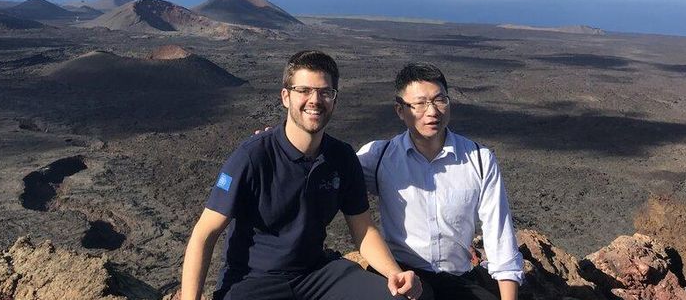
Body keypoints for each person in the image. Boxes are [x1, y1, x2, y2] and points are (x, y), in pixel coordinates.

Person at [181, 50, 422, 300]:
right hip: (255, 279)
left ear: (334, 99)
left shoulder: (341, 157)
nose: (315, 100)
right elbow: (204, 234)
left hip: (316, 274)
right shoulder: (252, 157)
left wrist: (394, 273)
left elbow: (363, 229)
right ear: (286, 97)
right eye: (304, 90)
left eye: (325, 92)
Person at [357, 63, 524, 300]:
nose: (432, 111)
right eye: (420, 103)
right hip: (400, 276)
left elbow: (500, 238)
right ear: (400, 110)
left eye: (439, 100)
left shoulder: (479, 160)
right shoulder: (378, 157)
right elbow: (334, 179)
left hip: (457, 280)